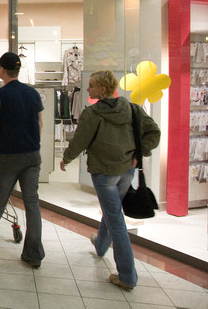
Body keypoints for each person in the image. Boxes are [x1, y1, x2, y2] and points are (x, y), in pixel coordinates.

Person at [60, 70, 160, 291]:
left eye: (92, 85)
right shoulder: (132, 109)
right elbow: (153, 132)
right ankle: (100, 245)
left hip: (104, 173)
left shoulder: (93, 114)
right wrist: (137, 155)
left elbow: (80, 140)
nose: (88, 89)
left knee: (116, 220)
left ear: (102, 89)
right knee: (112, 210)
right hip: (126, 170)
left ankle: (127, 276)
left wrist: (66, 158)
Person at [0, 52, 45, 269]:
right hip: (32, 155)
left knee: (0, 197)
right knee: (32, 203)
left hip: (9, 156)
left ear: (2, 70)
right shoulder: (33, 93)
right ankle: (33, 254)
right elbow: (40, 124)